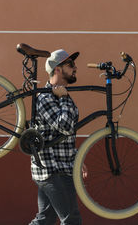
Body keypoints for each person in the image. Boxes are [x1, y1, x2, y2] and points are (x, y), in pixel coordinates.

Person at [29, 49, 85, 225]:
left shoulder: (59, 95)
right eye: (71, 65)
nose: (75, 68)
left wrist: (77, 158)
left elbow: (62, 138)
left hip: (62, 168)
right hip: (52, 170)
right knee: (71, 220)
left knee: (45, 220)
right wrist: (65, 99)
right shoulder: (45, 97)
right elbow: (65, 127)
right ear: (58, 69)